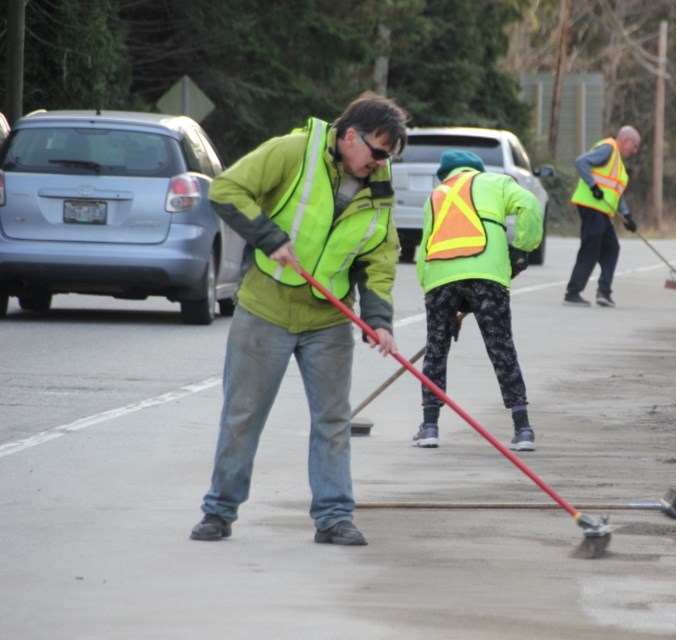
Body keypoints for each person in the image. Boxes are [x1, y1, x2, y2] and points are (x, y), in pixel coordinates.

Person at [189, 92, 409, 546]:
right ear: (351, 136)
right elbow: (227, 189)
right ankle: (219, 510)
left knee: (333, 419)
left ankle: (334, 518)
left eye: (388, 155)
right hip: (264, 308)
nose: (382, 163)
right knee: (243, 414)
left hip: (327, 320)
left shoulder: (380, 186)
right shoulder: (294, 152)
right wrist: (269, 237)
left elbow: (379, 257)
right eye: (379, 151)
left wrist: (380, 319)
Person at [411, 150, 543, 451]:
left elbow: (425, 249)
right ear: (476, 170)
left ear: (446, 175)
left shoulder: (435, 195)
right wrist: (521, 250)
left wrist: (439, 303)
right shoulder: (496, 182)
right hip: (487, 276)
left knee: (436, 349)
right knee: (501, 348)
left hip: (439, 279)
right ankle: (523, 430)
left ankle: (429, 427)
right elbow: (530, 205)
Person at [563, 126, 641, 307]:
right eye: (634, 146)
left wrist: (628, 216)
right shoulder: (608, 149)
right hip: (591, 208)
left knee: (611, 248)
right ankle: (572, 292)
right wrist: (593, 187)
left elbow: (616, 194)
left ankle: (603, 292)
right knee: (591, 248)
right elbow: (581, 161)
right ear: (625, 140)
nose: (635, 151)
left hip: (602, 212)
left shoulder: (618, 164)